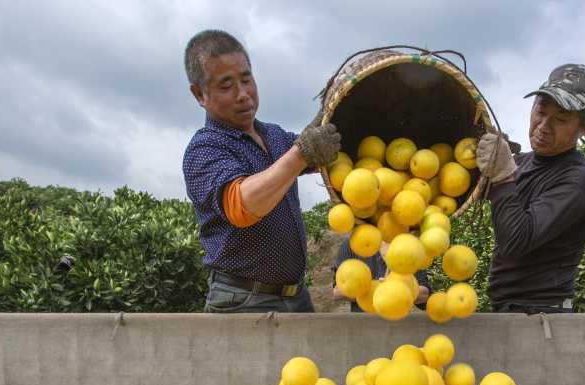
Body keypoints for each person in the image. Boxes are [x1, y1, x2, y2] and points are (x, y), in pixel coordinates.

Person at [182, 29, 341, 313]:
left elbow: (328, 154)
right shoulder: (205, 148)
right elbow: (241, 205)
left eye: (246, 79)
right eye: (226, 86)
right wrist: (301, 154)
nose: (243, 94)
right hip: (241, 300)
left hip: (296, 296)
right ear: (199, 94)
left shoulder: (275, 137)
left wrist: (339, 116)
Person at [475, 64, 585, 313]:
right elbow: (459, 192)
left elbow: (514, 242)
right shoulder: (521, 163)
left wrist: (503, 176)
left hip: (543, 318)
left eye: (560, 120)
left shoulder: (577, 181)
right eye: (540, 112)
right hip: (508, 311)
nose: (544, 126)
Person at [330, 238, 432, 312]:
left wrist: (398, 290)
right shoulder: (351, 244)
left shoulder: (407, 246)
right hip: (362, 325)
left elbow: (424, 294)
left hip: (397, 324)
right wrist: (376, 290)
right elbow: (338, 291)